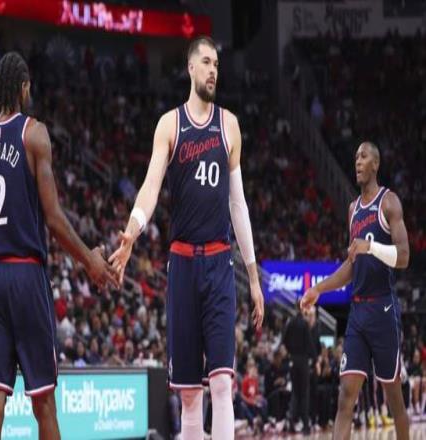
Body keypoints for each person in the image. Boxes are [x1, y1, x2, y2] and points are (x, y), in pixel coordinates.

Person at [109, 36, 264, 439]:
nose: (214, 70)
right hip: (182, 264)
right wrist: (132, 230)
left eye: (217, 64)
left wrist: (253, 276)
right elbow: (150, 186)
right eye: (207, 62)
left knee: (223, 384)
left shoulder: (229, 125)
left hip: (219, 263)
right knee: (191, 395)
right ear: (191, 68)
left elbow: (238, 205)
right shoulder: (170, 124)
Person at [0, 52, 118, 440]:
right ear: (23, 87)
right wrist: (89, 261)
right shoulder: (34, 133)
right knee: (43, 402)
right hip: (25, 274)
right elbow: (53, 217)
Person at [301, 141, 410, 440]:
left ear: (375, 164)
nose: (357, 162)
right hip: (358, 312)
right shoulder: (353, 210)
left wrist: (371, 247)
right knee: (345, 397)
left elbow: (404, 257)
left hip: (383, 309)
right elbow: (351, 265)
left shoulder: (389, 202)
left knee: (394, 398)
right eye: (355, 158)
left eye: (363, 157)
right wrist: (318, 289)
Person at [283, 302, 315, 435]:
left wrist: (291, 352)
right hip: (303, 361)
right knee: (304, 394)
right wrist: (314, 357)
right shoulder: (304, 324)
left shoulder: (290, 323)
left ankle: (291, 422)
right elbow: (310, 345)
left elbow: (284, 340)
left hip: (293, 360)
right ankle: (305, 426)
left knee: (295, 393)